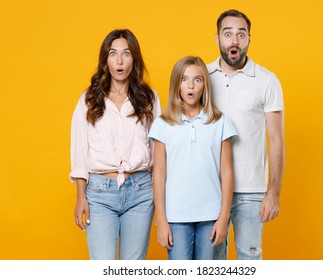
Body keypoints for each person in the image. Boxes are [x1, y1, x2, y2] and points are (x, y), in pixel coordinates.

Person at [69, 29, 161, 260]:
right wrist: (81, 197)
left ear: (134, 59)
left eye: (126, 54)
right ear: (105, 59)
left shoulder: (150, 99)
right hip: (100, 194)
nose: (119, 61)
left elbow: (159, 153)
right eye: (113, 53)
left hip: (141, 192)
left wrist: (162, 203)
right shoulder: (89, 99)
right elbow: (79, 152)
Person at [207, 9, 285, 260]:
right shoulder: (201, 78)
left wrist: (273, 193)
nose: (234, 40)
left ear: (249, 39)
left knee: (250, 262)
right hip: (210, 188)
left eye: (241, 34)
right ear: (217, 38)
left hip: (251, 192)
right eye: (228, 34)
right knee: (212, 263)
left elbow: (276, 140)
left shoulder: (267, 80)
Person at [149, 56, 237, 260]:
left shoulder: (220, 122)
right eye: (184, 79)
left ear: (205, 85)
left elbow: (227, 172)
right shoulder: (163, 124)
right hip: (176, 217)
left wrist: (224, 218)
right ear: (176, 85)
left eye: (197, 80)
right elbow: (159, 174)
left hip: (211, 216)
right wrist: (161, 220)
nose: (190, 86)